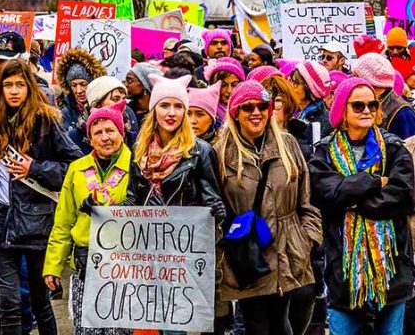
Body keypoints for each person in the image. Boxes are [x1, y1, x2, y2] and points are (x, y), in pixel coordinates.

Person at [0, 59, 82, 335]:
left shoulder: (46, 121)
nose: (14, 91)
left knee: (41, 300)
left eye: (20, 85)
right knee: (8, 302)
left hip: (38, 220)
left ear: (29, 87)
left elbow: (75, 167)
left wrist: (36, 169)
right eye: (7, 85)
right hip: (2, 221)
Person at [121, 74, 227, 334]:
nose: (172, 113)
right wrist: (104, 212)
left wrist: (214, 213)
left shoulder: (199, 151)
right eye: (165, 106)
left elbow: (212, 198)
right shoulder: (140, 151)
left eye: (178, 106)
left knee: (174, 325)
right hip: (148, 249)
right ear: (154, 109)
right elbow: (134, 197)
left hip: (183, 254)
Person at [216, 80, 322, 335]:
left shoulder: (288, 145)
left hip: (289, 250)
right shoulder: (221, 153)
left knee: (283, 325)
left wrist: (307, 239)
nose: (256, 112)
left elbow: (307, 200)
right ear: (235, 113)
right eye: (247, 107)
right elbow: (217, 209)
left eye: (262, 106)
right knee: (257, 325)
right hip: (248, 252)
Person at [309, 77, 414, 334]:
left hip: (392, 268)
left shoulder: (393, 148)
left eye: (372, 105)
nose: (367, 110)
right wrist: (376, 181)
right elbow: (325, 193)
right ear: (342, 110)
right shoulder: (323, 151)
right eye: (358, 105)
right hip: (343, 271)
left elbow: (402, 196)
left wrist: (350, 197)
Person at [44, 101, 132, 335]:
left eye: (110, 130)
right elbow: (63, 221)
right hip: (86, 264)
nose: (105, 138)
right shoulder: (77, 169)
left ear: (121, 134)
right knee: (86, 330)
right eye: (98, 132)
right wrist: (53, 266)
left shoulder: (137, 166)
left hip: (124, 267)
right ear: (89, 139)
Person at [67, 75, 138, 154]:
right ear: (97, 104)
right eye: (116, 99)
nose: (122, 104)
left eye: (123, 99)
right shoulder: (74, 138)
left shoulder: (130, 130)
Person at [353, 52, 415, 139]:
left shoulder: (403, 113)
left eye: (355, 76)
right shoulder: (365, 102)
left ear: (369, 81)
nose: (351, 79)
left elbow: (410, 149)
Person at [287, 61, 333, 160]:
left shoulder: (324, 121)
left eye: (296, 83)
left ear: (309, 88)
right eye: (291, 81)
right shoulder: (293, 112)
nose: (291, 87)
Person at [56, 48, 107, 132]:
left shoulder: (106, 108)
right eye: (74, 85)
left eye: (83, 84)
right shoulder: (64, 114)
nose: (79, 90)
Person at [204, 57, 246, 129]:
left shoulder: (249, 108)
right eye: (223, 85)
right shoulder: (205, 110)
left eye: (234, 85)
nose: (229, 90)